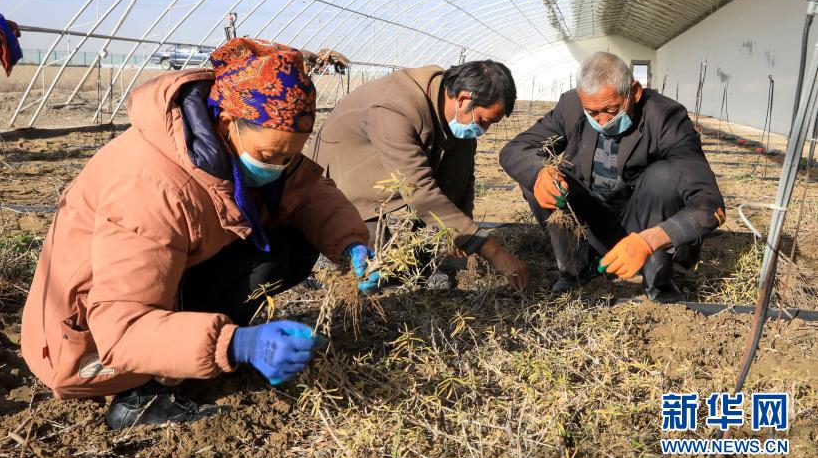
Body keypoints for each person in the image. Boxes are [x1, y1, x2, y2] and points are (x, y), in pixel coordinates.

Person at [21, 38, 373, 428]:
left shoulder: (230, 146)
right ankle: (139, 397)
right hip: (88, 344)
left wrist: (351, 242)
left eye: (291, 155)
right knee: (263, 264)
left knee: (285, 249)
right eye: (271, 156)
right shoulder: (151, 186)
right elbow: (121, 329)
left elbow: (305, 189)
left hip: (154, 296)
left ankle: (198, 349)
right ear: (227, 123)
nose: (280, 166)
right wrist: (237, 343)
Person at [499, 51, 725, 301]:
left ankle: (658, 279)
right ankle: (576, 270)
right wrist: (540, 174)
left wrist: (650, 240)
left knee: (664, 177)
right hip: (591, 220)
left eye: (611, 109)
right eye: (593, 113)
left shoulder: (665, 118)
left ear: (635, 92)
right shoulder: (571, 106)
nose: (603, 121)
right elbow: (516, 150)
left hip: (642, 221)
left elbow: (709, 203)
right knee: (540, 180)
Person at [310, 60, 530, 292]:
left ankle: (426, 260)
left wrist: (460, 233)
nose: (484, 130)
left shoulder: (448, 108)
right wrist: (492, 250)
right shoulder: (393, 107)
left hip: (388, 173)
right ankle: (336, 256)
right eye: (484, 120)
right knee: (377, 270)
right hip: (342, 183)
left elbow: (463, 177)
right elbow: (420, 190)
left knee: (462, 150)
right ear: (464, 99)